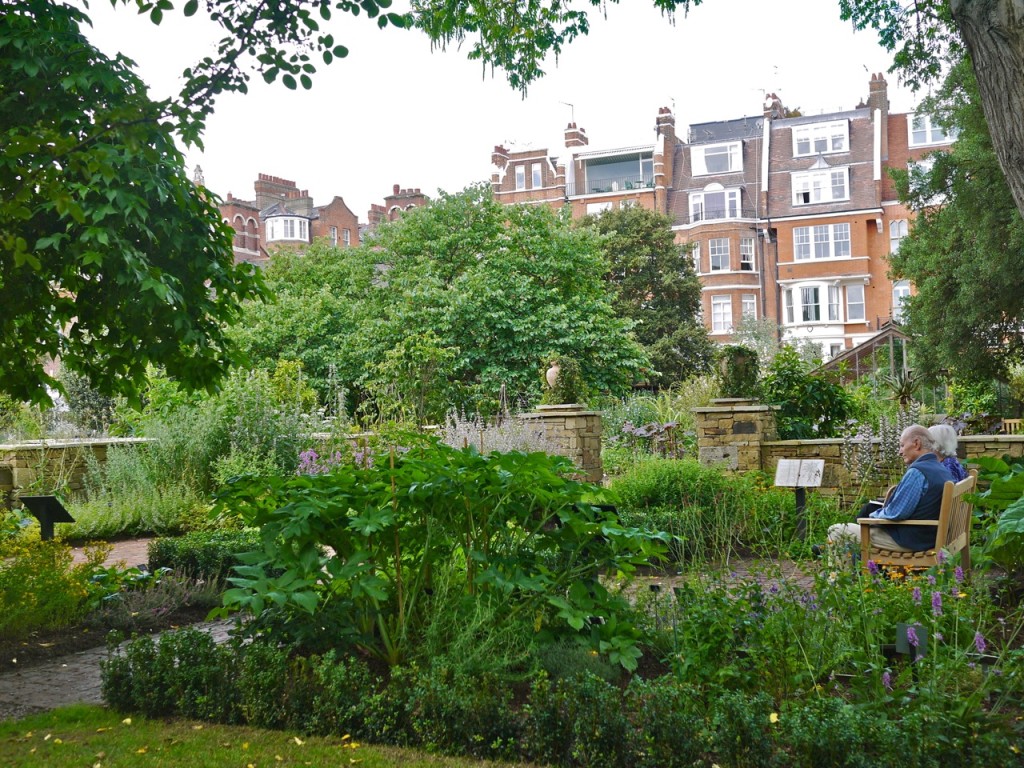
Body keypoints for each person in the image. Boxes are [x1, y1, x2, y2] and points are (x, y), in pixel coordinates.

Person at [826, 424, 954, 556]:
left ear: (916, 444)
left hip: (910, 540)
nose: (899, 451)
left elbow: (897, 513)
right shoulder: (941, 469)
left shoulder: (917, 472)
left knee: (836, 530)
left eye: (902, 445)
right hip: (930, 536)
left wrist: (871, 516)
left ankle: (838, 576)